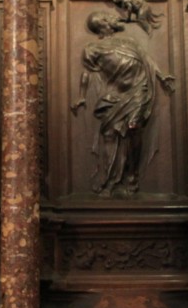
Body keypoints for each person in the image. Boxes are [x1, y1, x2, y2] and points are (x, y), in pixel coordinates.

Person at [71, 11, 174, 196]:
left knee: (134, 127)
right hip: (115, 95)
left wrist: (162, 76)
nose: (114, 17)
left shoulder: (129, 42)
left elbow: (147, 61)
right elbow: (87, 73)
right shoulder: (92, 48)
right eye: (108, 17)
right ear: (103, 23)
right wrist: (81, 96)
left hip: (139, 90)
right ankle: (109, 179)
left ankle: (132, 174)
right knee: (110, 134)